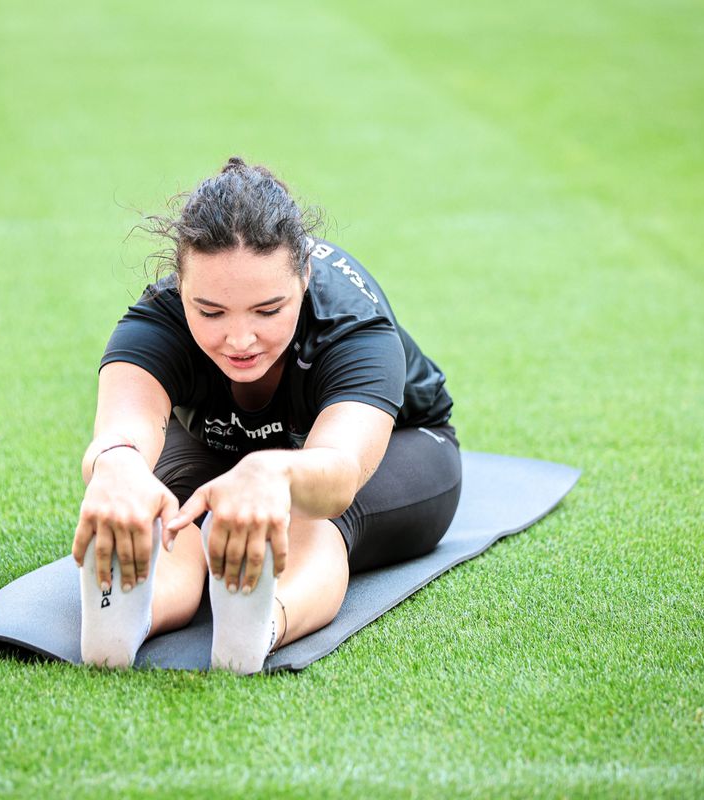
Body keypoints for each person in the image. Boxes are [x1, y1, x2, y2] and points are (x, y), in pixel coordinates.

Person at [72, 157, 462, 673]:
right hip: (220, 440)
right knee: (172, 509)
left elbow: (338, 470)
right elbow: (122, 430)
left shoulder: (352, 325)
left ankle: (261, 624)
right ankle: (132, 615)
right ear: (179, 284)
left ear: (303, 277)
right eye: (209, 312)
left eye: (267, 310)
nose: (239, 340)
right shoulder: (156, 318)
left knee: (313, 512)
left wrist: (272, 471)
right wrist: (116, 466)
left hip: (395, 446)